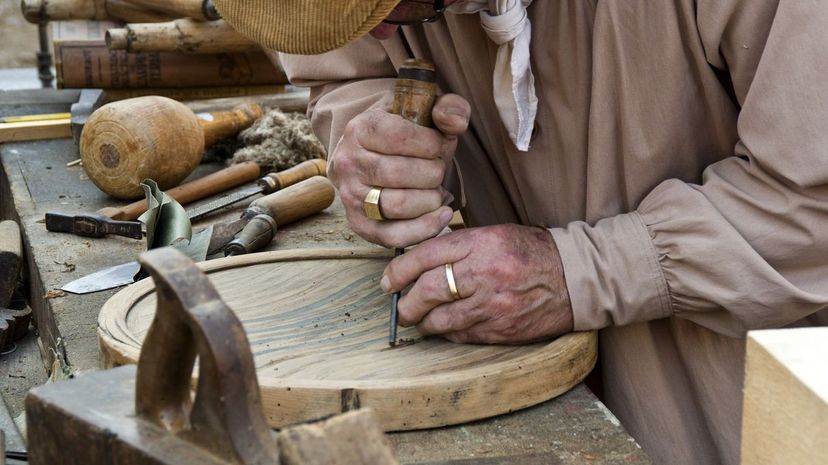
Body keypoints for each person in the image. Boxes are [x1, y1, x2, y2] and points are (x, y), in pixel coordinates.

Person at [213, 1, 828, 464]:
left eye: (404, 6)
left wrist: (579, 273)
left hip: (754, 406)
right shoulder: (373, 19)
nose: (382, 30)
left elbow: (810, 204)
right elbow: (349, 71)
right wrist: (377, 145)